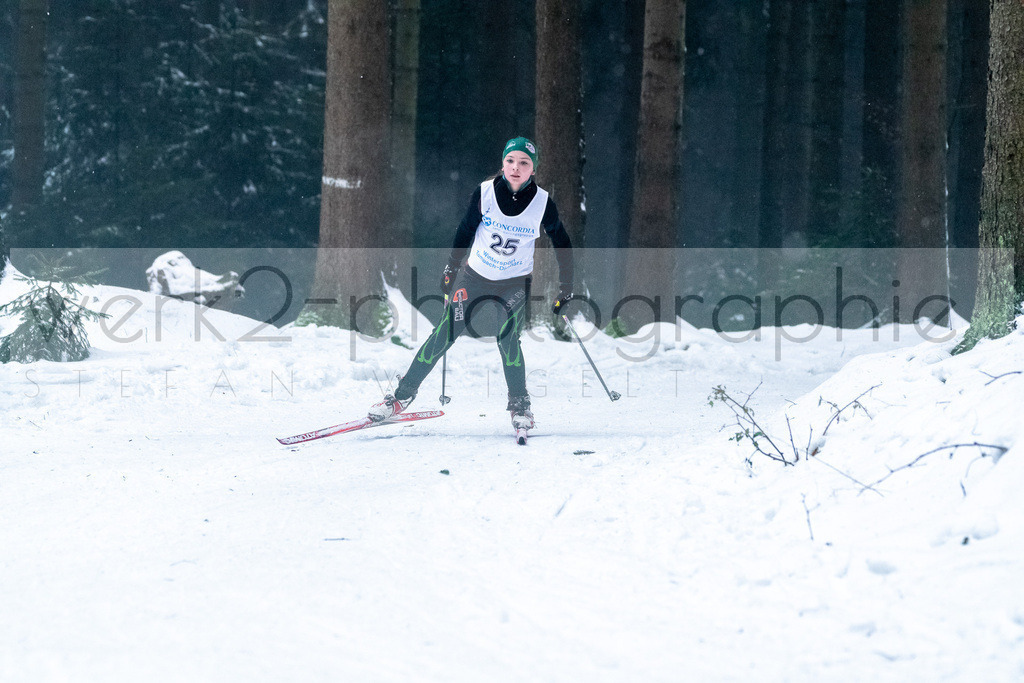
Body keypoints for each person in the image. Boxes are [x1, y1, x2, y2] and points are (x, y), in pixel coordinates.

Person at [368, 136, 574, 435]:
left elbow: (562, 244)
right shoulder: (486, 193)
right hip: (474, 277)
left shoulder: (543, 202)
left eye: (524, 163)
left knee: (507, 340)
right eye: (510, 161)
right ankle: (400, 397)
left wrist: (566, 288)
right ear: (503, 164)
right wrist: (452, 267)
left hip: (514, 283)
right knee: (444, 334)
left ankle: (520, 406)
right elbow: (465, 229)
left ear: (533, 170)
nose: (516, 167)